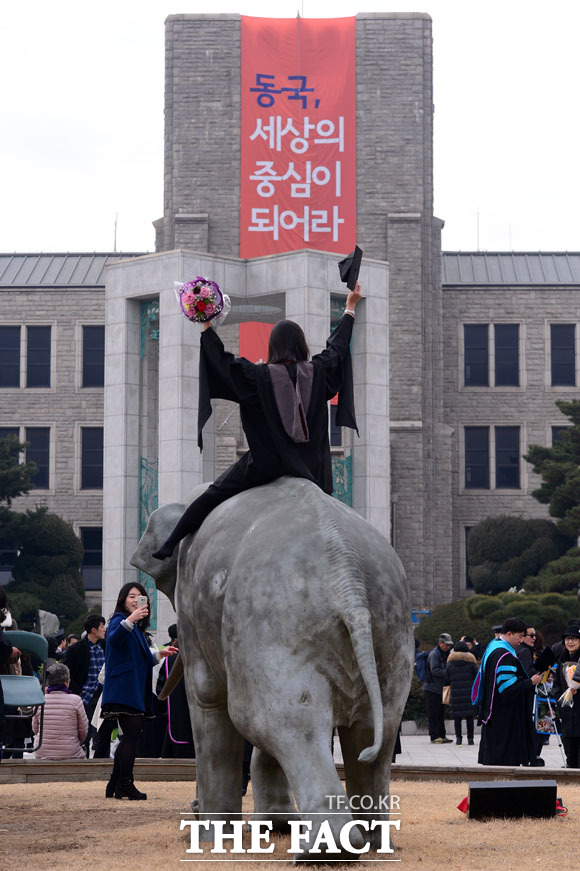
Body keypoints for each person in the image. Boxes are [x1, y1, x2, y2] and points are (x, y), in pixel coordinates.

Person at [152, 283, 362, 561]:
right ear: (301, 346)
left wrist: (206, 324)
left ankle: (171, 543)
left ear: (272, 347)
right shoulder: (319, 372)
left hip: (266, 466)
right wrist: (349, 308)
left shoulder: (257, 377)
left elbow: (222, 364)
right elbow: (336, 350)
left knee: (214, 493)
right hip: (312, 468)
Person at [101, 583, 177, 800]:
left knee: (130, 736)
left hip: (131, 688)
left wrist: (159, 655)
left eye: (140, 596)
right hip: (124, 688)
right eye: (131, 596)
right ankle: (124, 784)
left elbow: (141, 659)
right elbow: (114, 639)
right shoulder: (119, 620)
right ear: (123, 599)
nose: (136, 599)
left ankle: (116, 783)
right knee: (132, 736)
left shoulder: (137, 629)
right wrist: (131, 618)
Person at [474, 617, 542, 766]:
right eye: (520, 636)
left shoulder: (493, 648)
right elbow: (508, 690)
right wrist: (530, 682)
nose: (522, 640)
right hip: (504, 718)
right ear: (509, 634)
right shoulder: (505, 656)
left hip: (491, 713)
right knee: (504, 764)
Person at [63, 614, 107, 757]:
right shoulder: (76, 649)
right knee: (84, 731)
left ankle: (102, 761)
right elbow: (67, 670)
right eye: (102, 627)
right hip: (84, 695)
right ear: (93, 630)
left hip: (103, 693)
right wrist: (76, 692)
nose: (104, 629)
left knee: (102, 730)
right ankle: (84, 759)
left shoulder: (106, 646)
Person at [32, 663, 88, 759]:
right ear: (66, 682)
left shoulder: (40, 700)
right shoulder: (76, 700)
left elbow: (35, 729)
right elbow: (83, 730)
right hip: (71, 752)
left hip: (42, 752)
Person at [552, 624, 580, 768]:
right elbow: (556, 685)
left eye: (574, 639)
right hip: (567, 714)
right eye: (568, 639)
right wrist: (561, 695)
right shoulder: (561, 661)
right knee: (570, 754)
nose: (570, 642)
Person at [445, 641, 478, 745]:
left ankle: (459, 739)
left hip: (456, 693)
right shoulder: (471, 663)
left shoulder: (450, 663)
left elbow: (447, 678)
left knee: (457, 718)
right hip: (469, 693)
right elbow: (476, 677)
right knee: (469, 717)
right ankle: (470, 739)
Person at [423, 633, 454, 744]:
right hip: (432, 689)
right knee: (433, 713)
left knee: (441, 713)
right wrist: (448, 673)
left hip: (441, 688)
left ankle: (442, 735)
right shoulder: (434, 654)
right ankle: (434, 736)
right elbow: (434, 670)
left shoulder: (445, 654)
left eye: (449, 645)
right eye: (446, 644)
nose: (447, 647)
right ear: (440, 643)